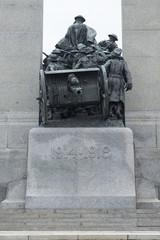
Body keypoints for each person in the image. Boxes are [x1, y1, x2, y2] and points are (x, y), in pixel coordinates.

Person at [103, 48, 132, 120]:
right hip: (119, 80)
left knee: (110, 94)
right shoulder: (123, 63)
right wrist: (129, 82)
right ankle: (118, 110)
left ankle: (110, 111)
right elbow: (127, 73)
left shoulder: (110, 61)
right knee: (120, 96)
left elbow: (103, 69)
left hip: (111, 79)